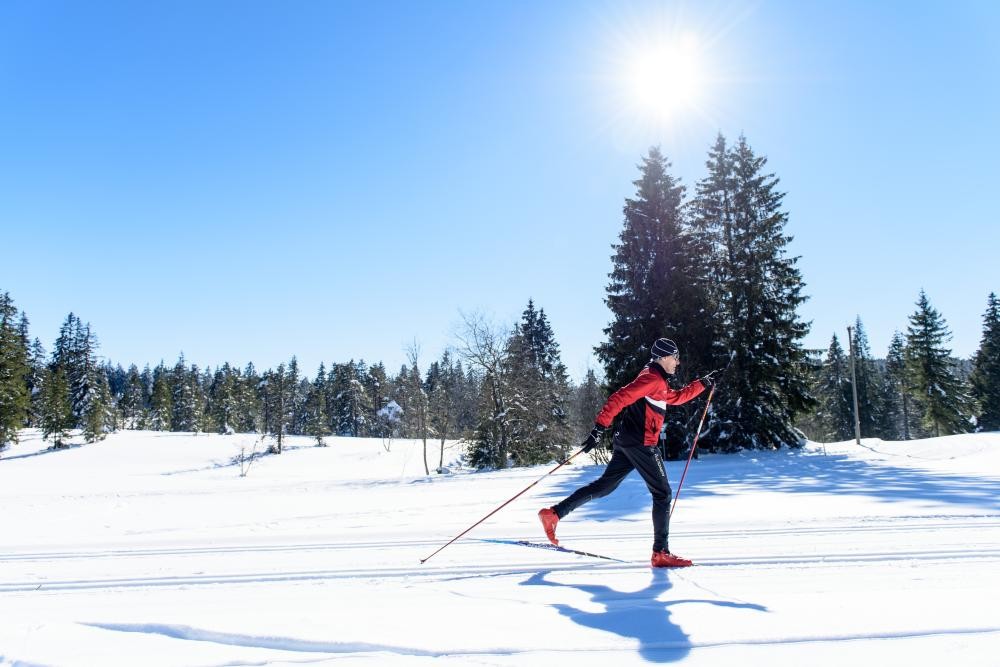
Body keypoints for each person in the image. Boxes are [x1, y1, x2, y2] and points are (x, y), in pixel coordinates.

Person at [538, 337, 716, 568]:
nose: (677, 362)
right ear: (662, 358)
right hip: (641, 444)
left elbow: (675, 397)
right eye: (675, 357)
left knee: (604, 486)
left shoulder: (656, 379)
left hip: (628, 442)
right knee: (662, 494)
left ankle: (554, 514)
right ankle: (660, 552)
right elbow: (619, 397)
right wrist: (599, 428)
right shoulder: (652, 378)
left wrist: (702, 384)